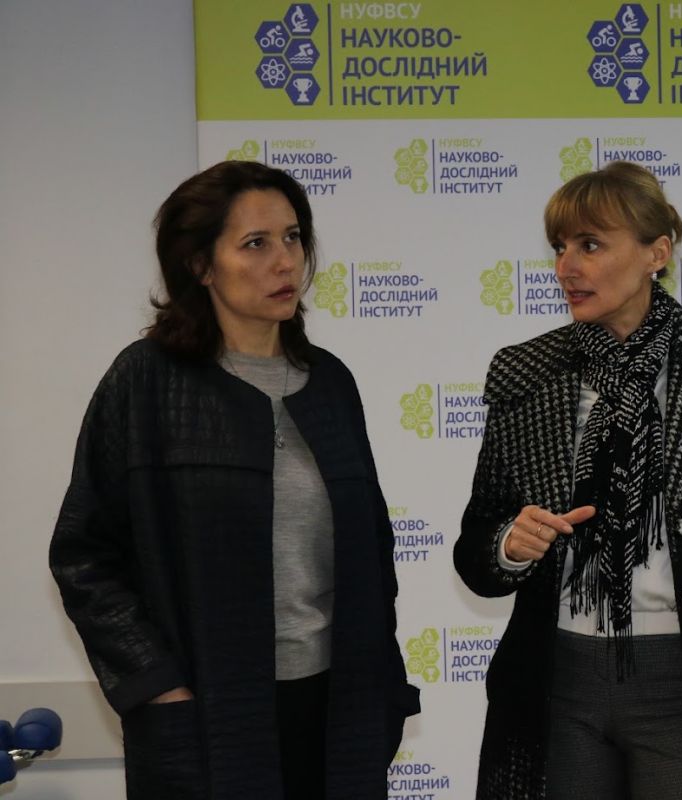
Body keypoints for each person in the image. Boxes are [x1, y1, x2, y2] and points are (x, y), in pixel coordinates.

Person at [49, 161, 419, 800]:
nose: (286, 261)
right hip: (209, 715)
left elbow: (373, 549)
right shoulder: (146, 382)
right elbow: (84, 555)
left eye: (293, 237)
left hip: (338, 710)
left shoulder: (331, 383)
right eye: (256, 243)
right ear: (201, 265)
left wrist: (381, 681)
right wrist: (159, 685)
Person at [455, 161, 682, 799]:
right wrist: (509, 545)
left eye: (590, 245)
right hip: (555, 683)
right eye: (560, 247)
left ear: (657, 253)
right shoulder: (524, 372)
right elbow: (477, 548)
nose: (567, 266)